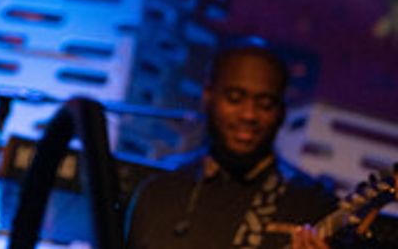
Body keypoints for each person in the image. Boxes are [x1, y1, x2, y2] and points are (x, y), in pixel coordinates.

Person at [125, 38, 338, 249]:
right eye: (235, 99)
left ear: (281, 112)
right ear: (208, 97)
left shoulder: (312, 204)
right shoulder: (158, 191)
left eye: (265, 104)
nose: (249, 115)